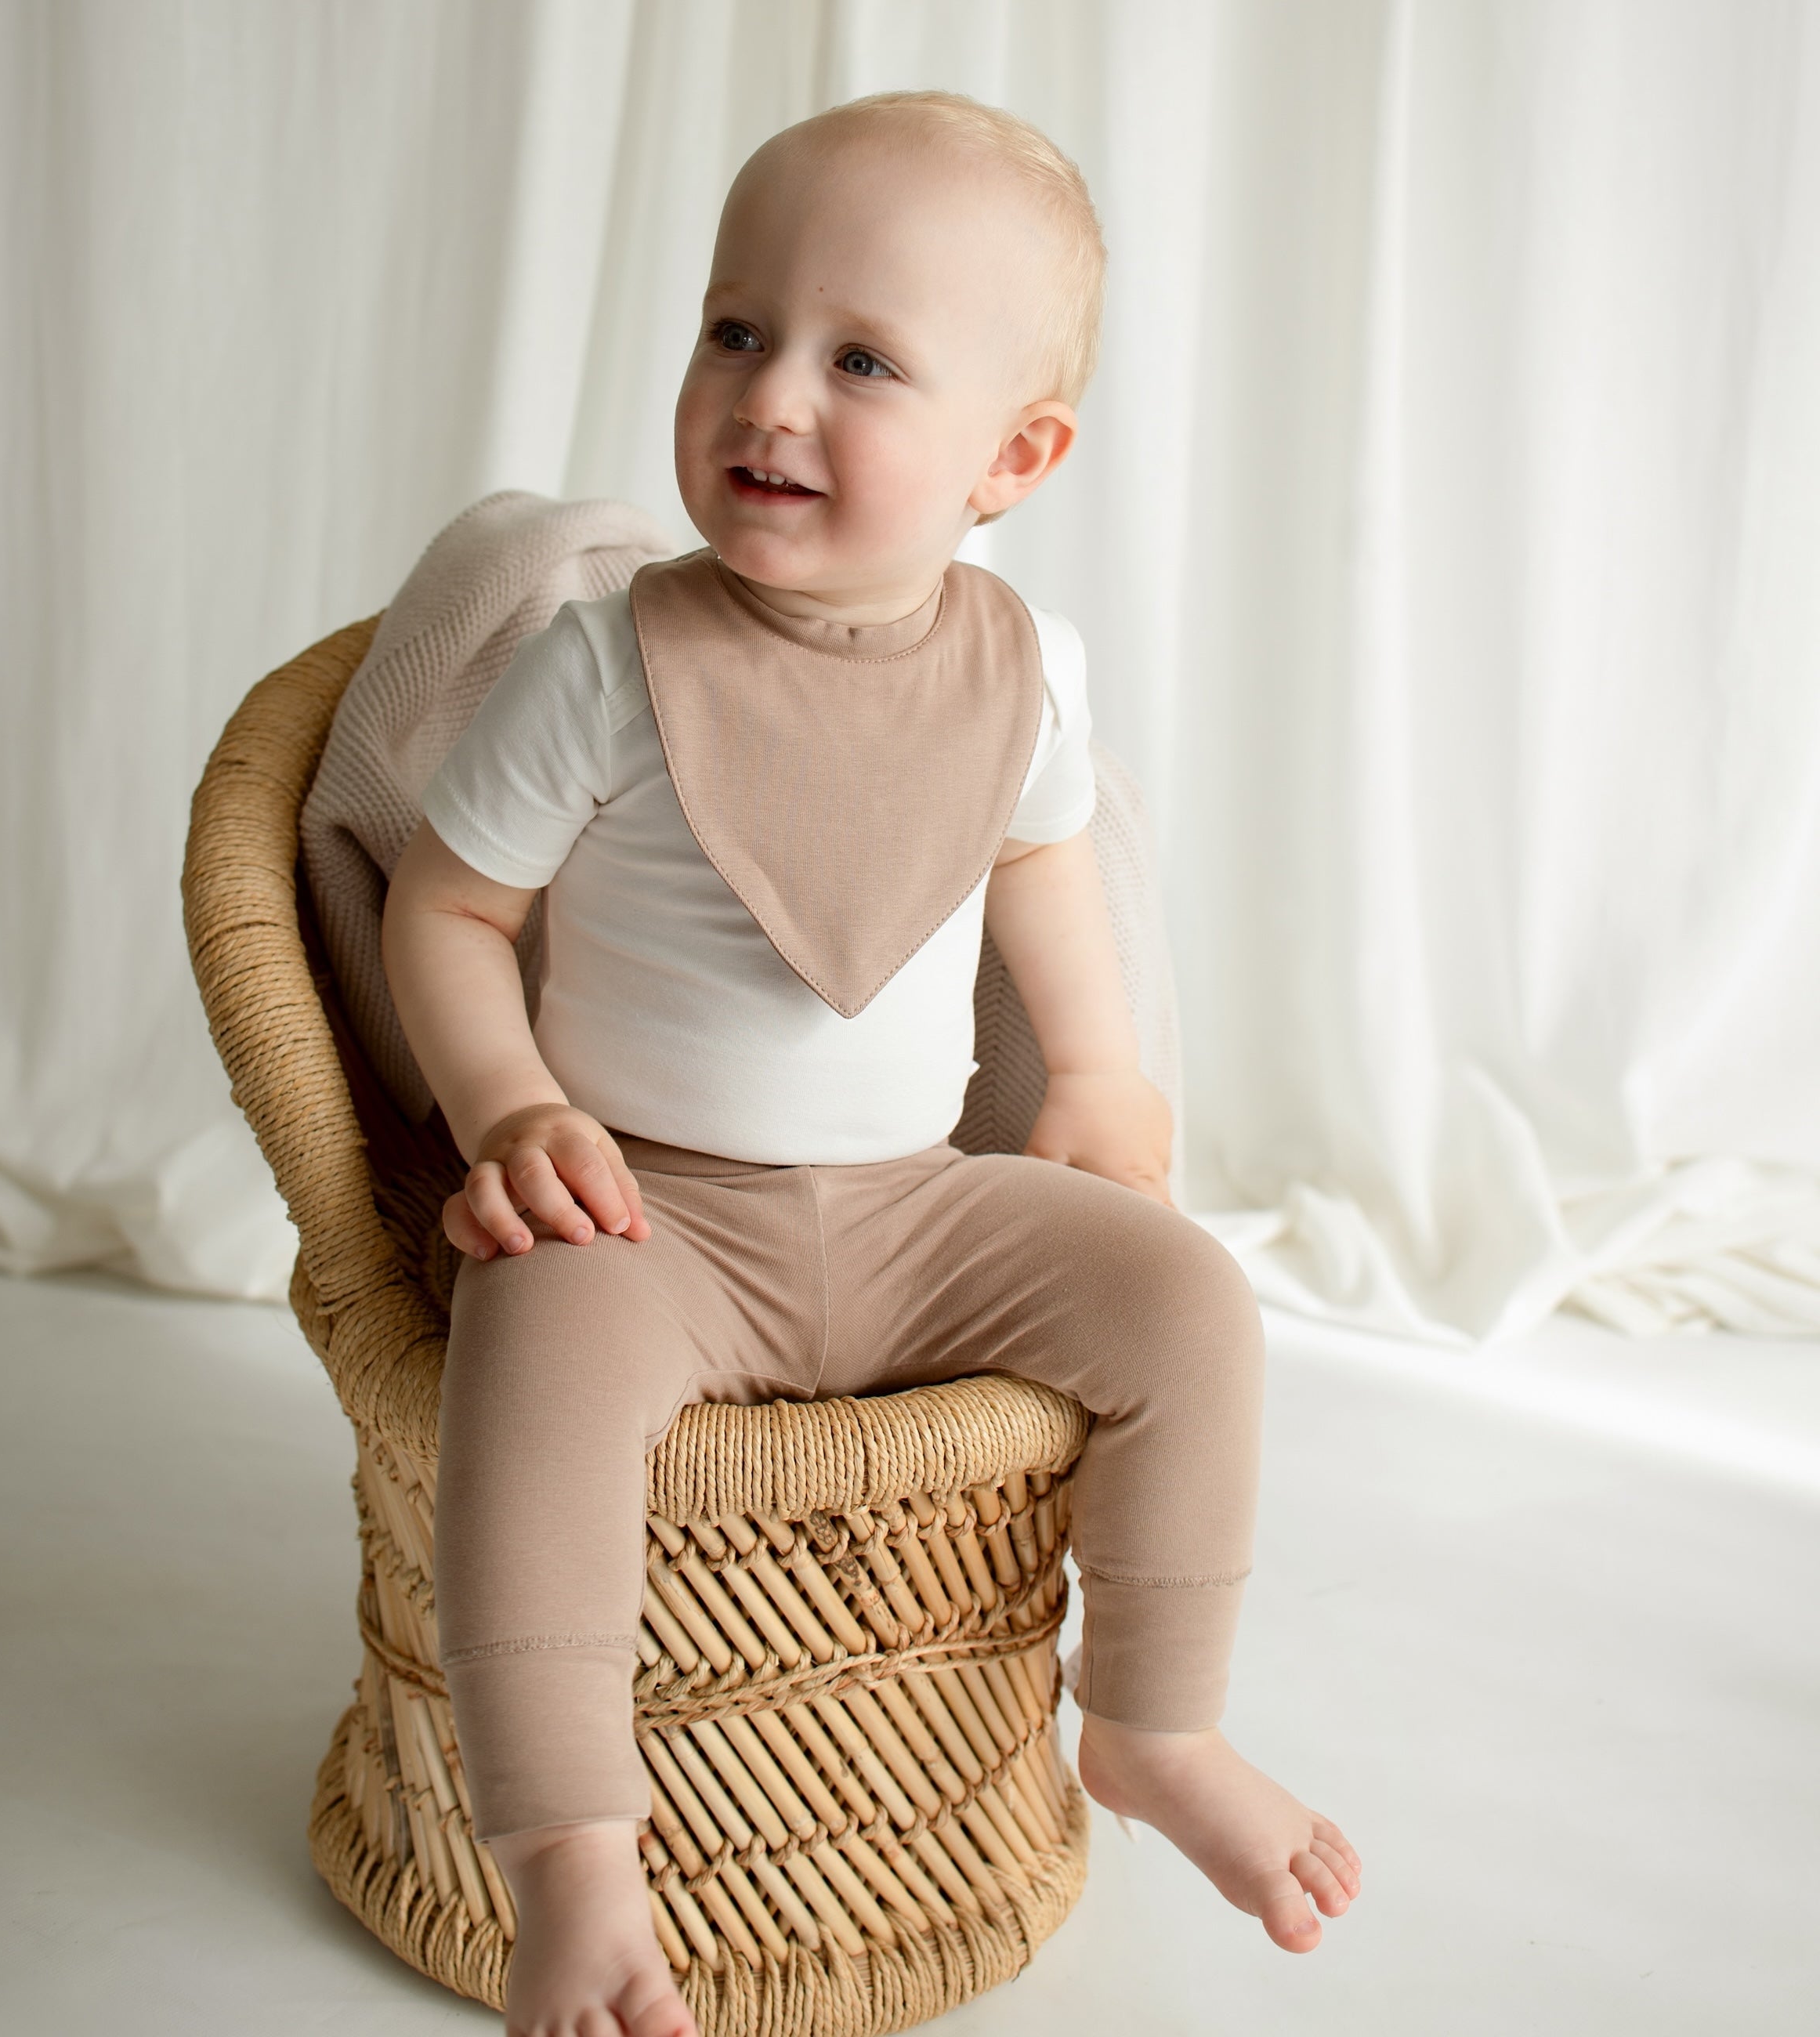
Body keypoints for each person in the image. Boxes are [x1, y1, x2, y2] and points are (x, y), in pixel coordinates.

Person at [383, 89, 1360, 2037]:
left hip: (917, 1211)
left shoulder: (1023, 670)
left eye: (861, 361)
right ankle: (569, 1855)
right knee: (530, 1381)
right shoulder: (606, 660)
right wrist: (512, 1113)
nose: (770, 398)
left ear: (1015, 455)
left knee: (1184, 1300)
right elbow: (443, 910)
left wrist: (1091, 1072)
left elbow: (1041, 861)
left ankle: (1153, 1725)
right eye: (735, 331)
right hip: (650, 1210)